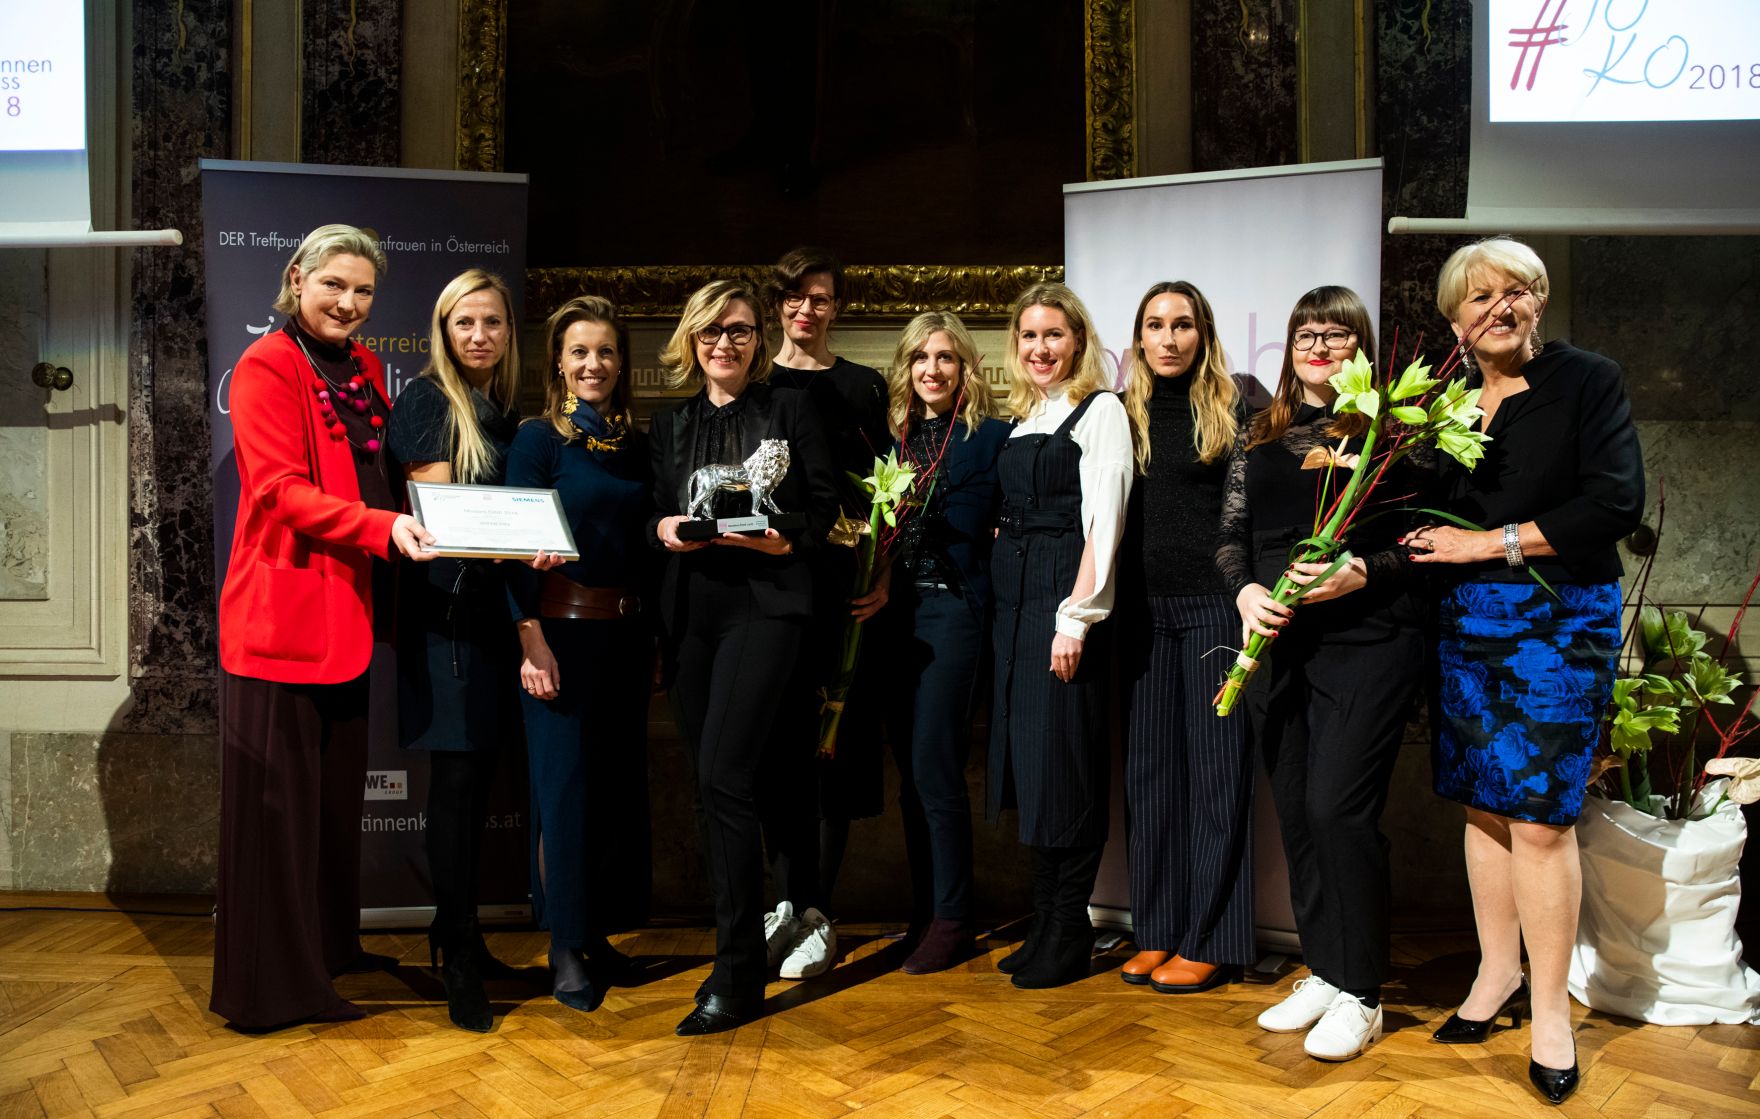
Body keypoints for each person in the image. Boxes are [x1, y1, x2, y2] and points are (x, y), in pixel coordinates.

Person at [1408, 237, 1642, 1106]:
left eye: (1515, 292)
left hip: (1556, 617)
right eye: (1478, 298)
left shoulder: (1589, 380)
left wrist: (1488, 543)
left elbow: (1615, 502)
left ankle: (1551, 1011)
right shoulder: (1446, 399)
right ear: (1454, 319)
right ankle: (1496, 973)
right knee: (1481, 802)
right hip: (1464, 621)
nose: (1496, 308)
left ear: (1539, 301)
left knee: (1540, 819)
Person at [213, 224, 437, 1031]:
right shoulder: (267, 365)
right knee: (280, 819)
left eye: (364, 290)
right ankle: (272, 987)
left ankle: (330, 949)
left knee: (332, 808)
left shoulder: (367, 365)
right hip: (281, 621)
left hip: (349, 612)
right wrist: (383, 531)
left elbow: (378, 466)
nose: (348, 302)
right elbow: (275, 490)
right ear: (297, 277)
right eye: (333, 285)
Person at [1221, 286, 1430, 1062]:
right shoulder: (1263, 429)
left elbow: (1421, 541)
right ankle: (1328, 969)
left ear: (1361, 346)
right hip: (1279, 639)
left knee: (1339, 810)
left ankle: (1366, 992)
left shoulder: (1395, 431)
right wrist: (1243, 590)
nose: (1318, 344)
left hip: (1371, 637)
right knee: (1301, 814)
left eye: (1336, 333)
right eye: (1305, 332)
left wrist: (1362, 571)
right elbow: (1232, 534)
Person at [648, 280, 839, 1035]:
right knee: (708, 786)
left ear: (759, 340)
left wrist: (793, 537)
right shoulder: (671, 426)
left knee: (726, 777)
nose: (723, 344)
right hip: (693, 614)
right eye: (709, 332)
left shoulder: (788, 410)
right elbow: (650, 512)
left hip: (766, 607)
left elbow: (824, 508)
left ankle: (736, 973)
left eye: (738, 330)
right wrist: (663, 525)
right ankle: (737, 949)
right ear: (690, 341)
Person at [385, 269, 539, 1033]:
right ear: (442, 332)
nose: (479, 336)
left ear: (510, 333)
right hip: (446, 620)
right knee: (454, 786)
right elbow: (441, 519)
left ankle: (463, 936)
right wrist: (522, 544)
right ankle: (455, 955)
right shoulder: (425, 402)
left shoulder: (505, 417)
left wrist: (535, 549)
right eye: (464, 323)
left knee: (479, 786)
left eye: (493, 323)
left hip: (491, 619)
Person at [504, 295, 656, 1015]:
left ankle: (595, 933)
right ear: (558, 363)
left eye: (605, 352)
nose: (593, 364)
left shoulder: (636, 442)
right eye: (579, 351)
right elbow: (511, 546)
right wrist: (528, 635)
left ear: (620, 363)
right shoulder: (539, 439)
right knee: (562, 792)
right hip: (558, 636)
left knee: (611, 792)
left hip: (624, 638)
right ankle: (563, 945)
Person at [988, 281, 1140, 990]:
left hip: (1062, 602)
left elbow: (1102, 522)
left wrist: (1075, 616)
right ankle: (1046, 920)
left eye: (1053, 334)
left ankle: (1069, 930)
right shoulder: (1026, 415)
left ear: (1078, 339)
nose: (1040, 348)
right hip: (1016, 607)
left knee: (1068, 768)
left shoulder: (1099, 409)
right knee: (1038, 771)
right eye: (1028, 336)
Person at [1114, 281, 1255, 996]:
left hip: (1212, 612)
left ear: (1203, 333)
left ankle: (1213, 937)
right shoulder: (1119, 412)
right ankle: (1159, 929)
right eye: (1155, 325)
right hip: (1142, 614)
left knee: (1215, 779)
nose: (1168, 338)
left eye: (1183, 324)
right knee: (1151, 779)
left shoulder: (1236, 407)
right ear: (1138, 337)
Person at [857, 311, 1006, 974]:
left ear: (965, 366)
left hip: (954, 613)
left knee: (934, 766)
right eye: (921, 357)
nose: (932, 369)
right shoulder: (894, 441)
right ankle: (926, 911)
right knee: (911, 777)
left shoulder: (991, 438)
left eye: (945, 357)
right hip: (894, 620)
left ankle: (953, 917)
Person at [760, 246, 891, 978]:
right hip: (774, 590)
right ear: (777, 304)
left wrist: (885, 578)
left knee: (832, 749)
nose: (806, 310)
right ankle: (784, 903)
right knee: (778, 749)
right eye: (794, 298)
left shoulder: (863, 386)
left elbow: (884, 499)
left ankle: (820, 913)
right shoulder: (755, 381)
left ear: (837, 307)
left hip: (846, 590)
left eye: (820, 298)